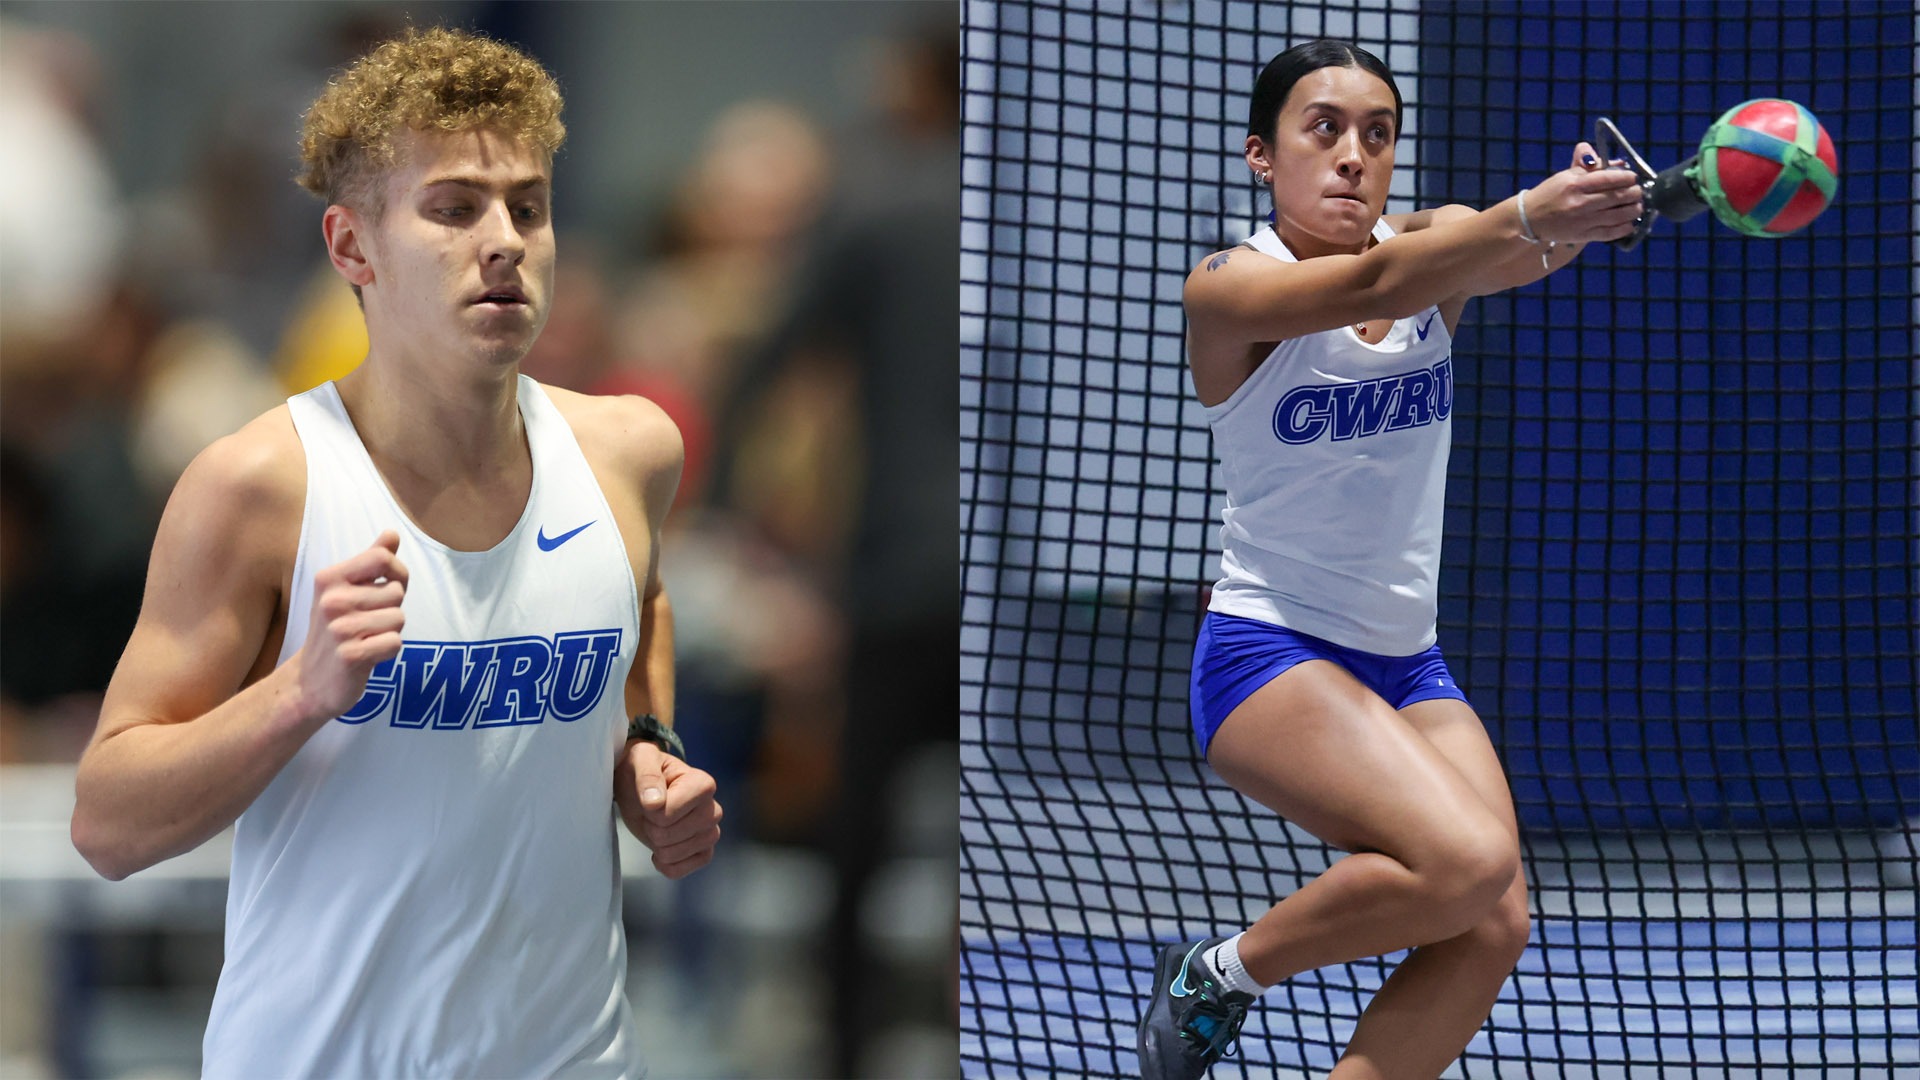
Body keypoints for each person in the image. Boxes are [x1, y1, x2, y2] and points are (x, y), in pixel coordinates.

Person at [69, 27, 721, 1078]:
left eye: (529, 207)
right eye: (454, 209)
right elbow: (107, 824)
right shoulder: (260, 489)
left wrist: (646, 741)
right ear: (351, 249)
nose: (503, 242)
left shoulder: (630, 453)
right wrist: (299, 693)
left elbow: (638, 599)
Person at [1135, 40, 1642, 1080]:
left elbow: (1511, 252)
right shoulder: (1226, 287)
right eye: (1323, 128)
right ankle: (1219, 972)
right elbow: (1381, 275)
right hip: (1269, 655)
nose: (1353, 155)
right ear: (1261, 154)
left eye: (1378, 133)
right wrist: (1530, 215)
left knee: (1493, 921)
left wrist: (1607, 209)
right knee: (1465, 861)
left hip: (1407, 662)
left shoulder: (1435, 248)